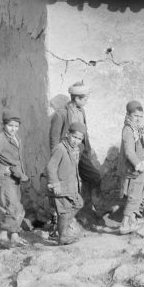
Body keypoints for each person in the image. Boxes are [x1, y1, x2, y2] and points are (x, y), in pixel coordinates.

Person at [49, 81, 102, 218]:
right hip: (67, 155)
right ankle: (60, 220)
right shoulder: (61, 114)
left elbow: (85, 133)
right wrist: (59, 158)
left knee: (95, 177)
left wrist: (88, 150)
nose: (87, 102)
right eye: (85, 99)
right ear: (77, 98)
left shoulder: (81, 111)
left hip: (81, 154)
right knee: (68, 187)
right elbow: (54, 139)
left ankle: (94, 209)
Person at [0, 110, 29, 246]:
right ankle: (2, 235)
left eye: (16, 126)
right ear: (4, 125)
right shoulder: (0, 139)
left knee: (16, 206)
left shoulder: (17, 138)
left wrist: (21, 174)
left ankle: (14, 236)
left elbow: (18, 159)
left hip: (16, 177)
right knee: (14, 206)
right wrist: (2, 169)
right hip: (6, 178)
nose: (13, 129)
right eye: (10, 126)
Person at [46, 122, 86, 245]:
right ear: (67, 134)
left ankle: (61, 227)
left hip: (71, 186)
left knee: (79, 203)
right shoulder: (60, 148)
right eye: (74, 137)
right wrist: (55, 183)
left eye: (79, 139)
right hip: (61, 186)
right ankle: (62, 236)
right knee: (64, 212)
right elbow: (50, 167)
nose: (76, 141)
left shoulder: (75, 149)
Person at [116, 101, 144, 235]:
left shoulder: (138, 128)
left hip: (141, 167)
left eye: (140, 116)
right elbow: (129, 151)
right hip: (133, 169)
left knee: (138, 194)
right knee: (133, 196)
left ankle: (132, 220)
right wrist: (138, 164)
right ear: (128, 114)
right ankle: (125, 224)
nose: (138, 118)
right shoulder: (128, 129)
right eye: (135, 115)